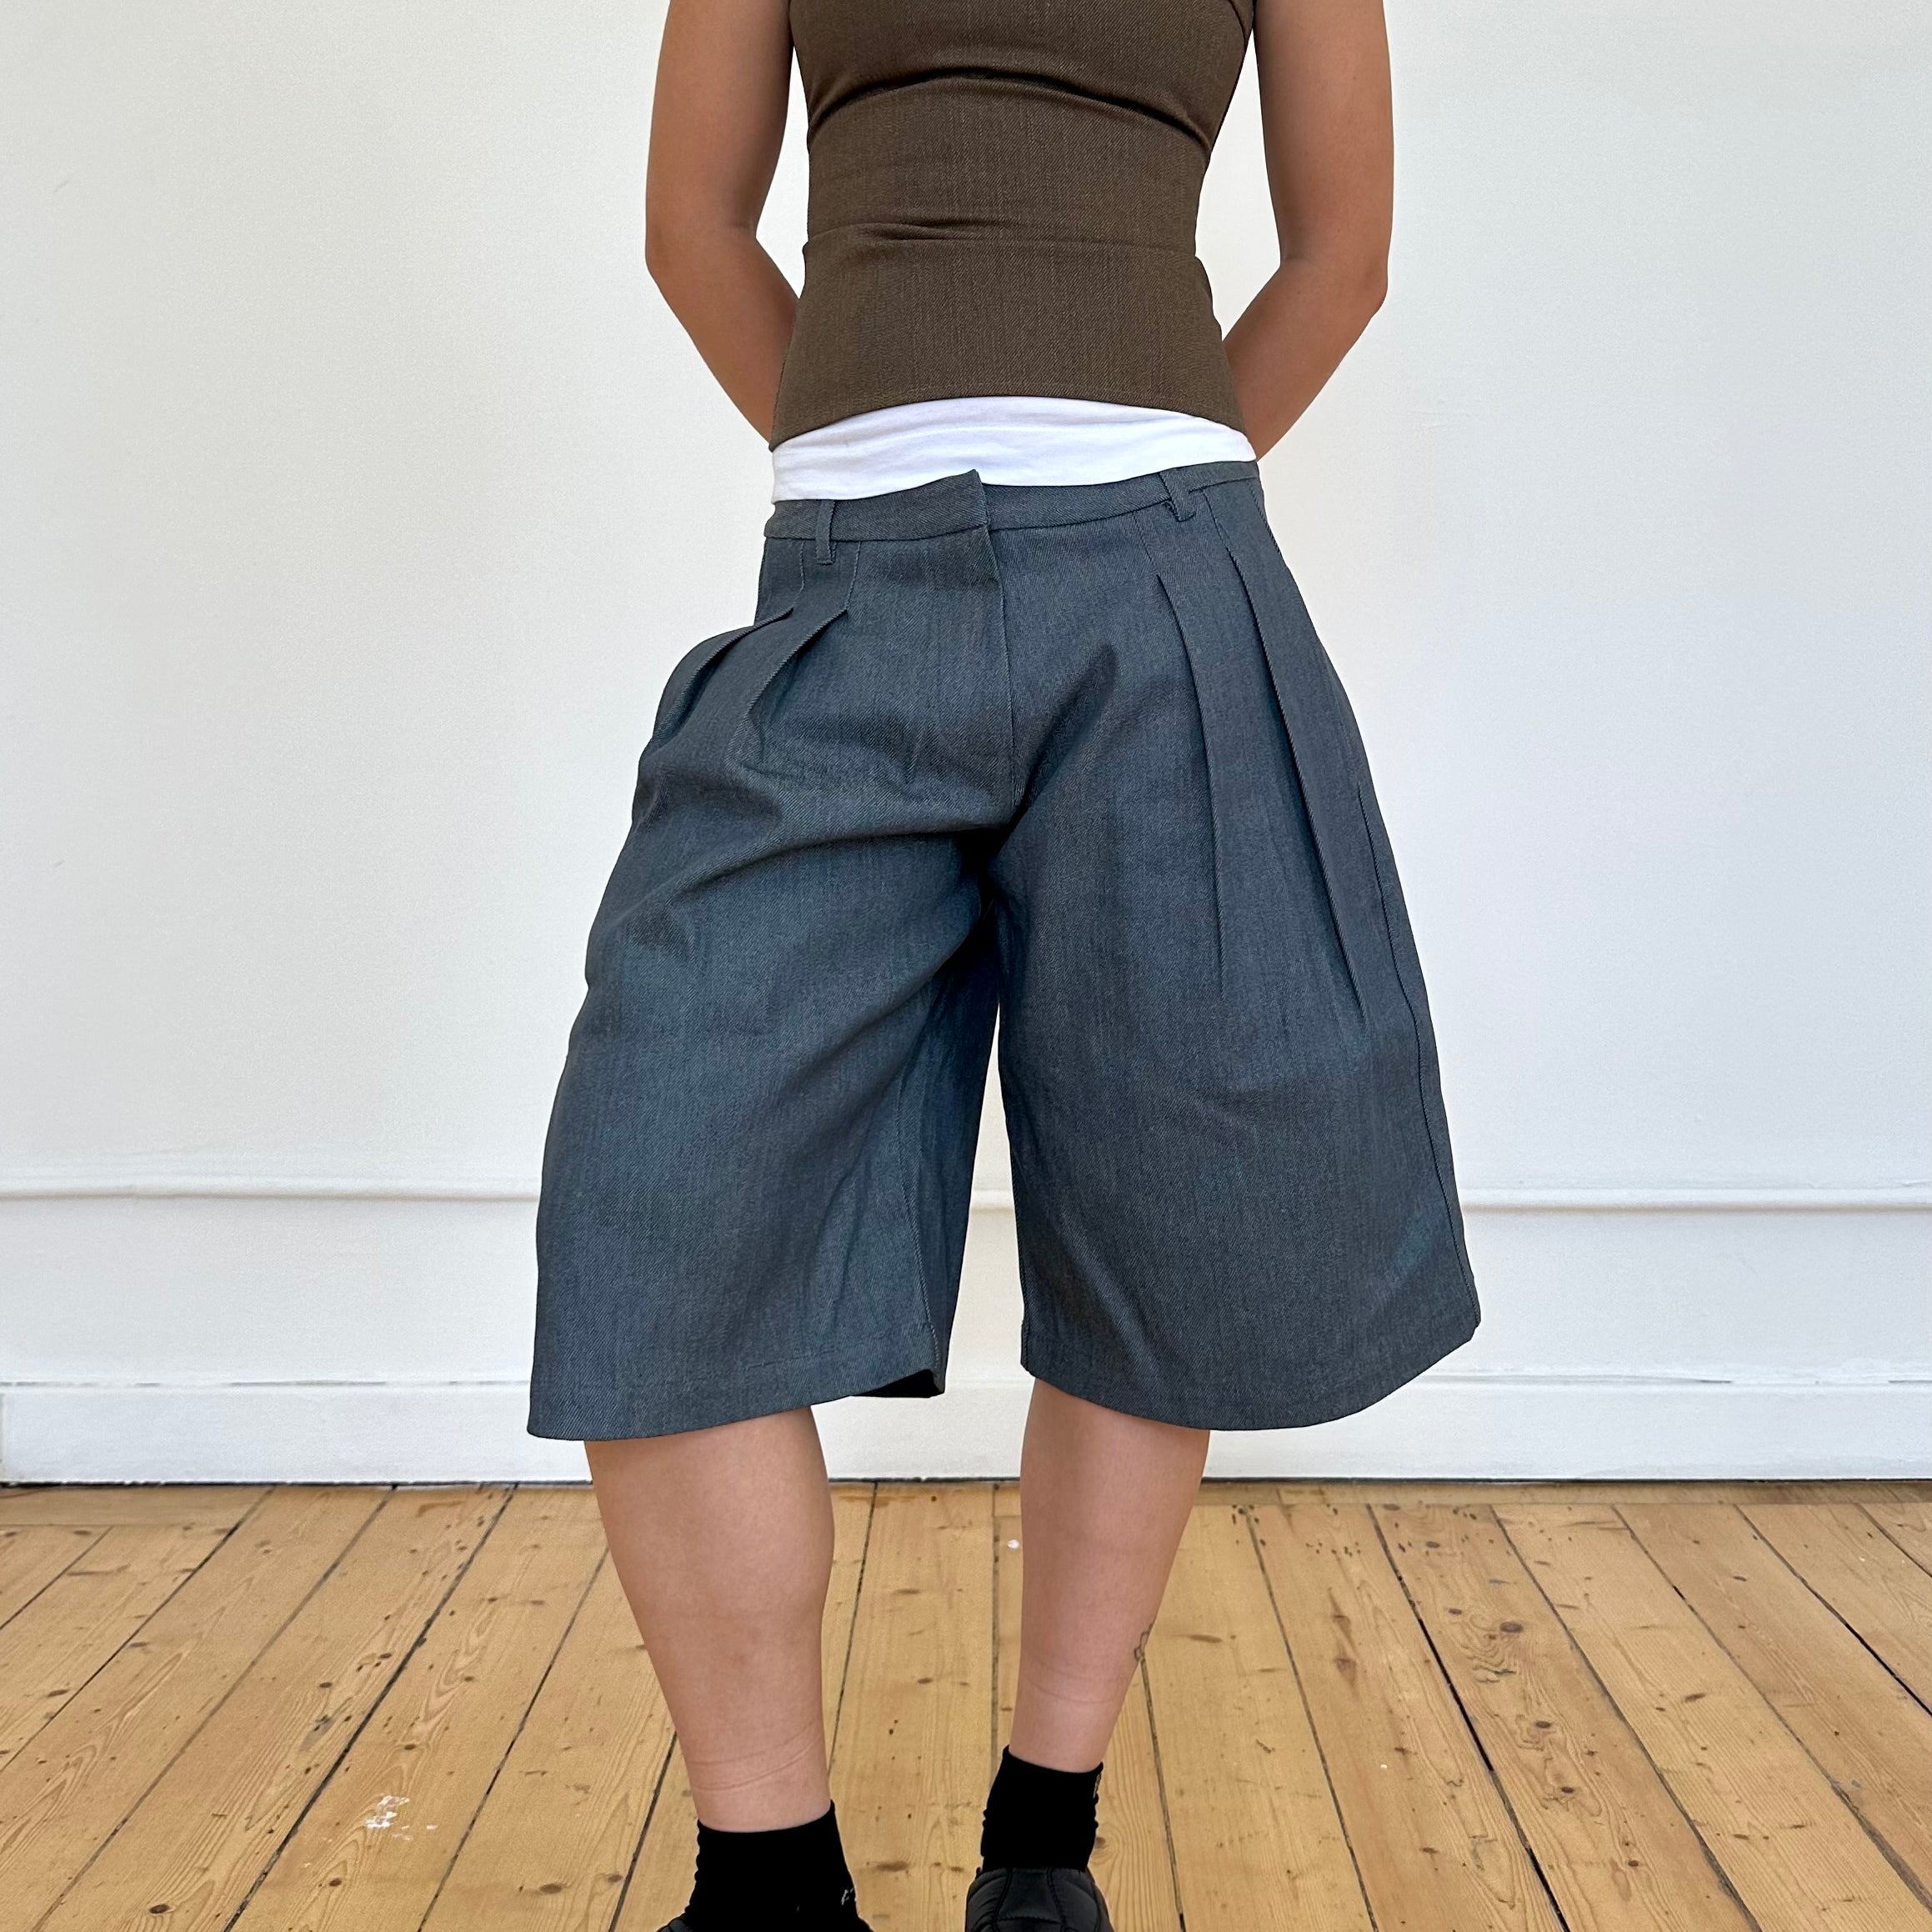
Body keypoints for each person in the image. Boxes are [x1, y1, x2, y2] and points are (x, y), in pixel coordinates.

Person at [527, 0, 1481, 1926]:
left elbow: (1341, 258)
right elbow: (691, 226)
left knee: (1166, 1204)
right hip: (843, 591)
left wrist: (1135, 478)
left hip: (1169, 586)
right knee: (657, 1193)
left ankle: (1041, 1842)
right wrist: (871, 467)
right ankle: (768, 1885)